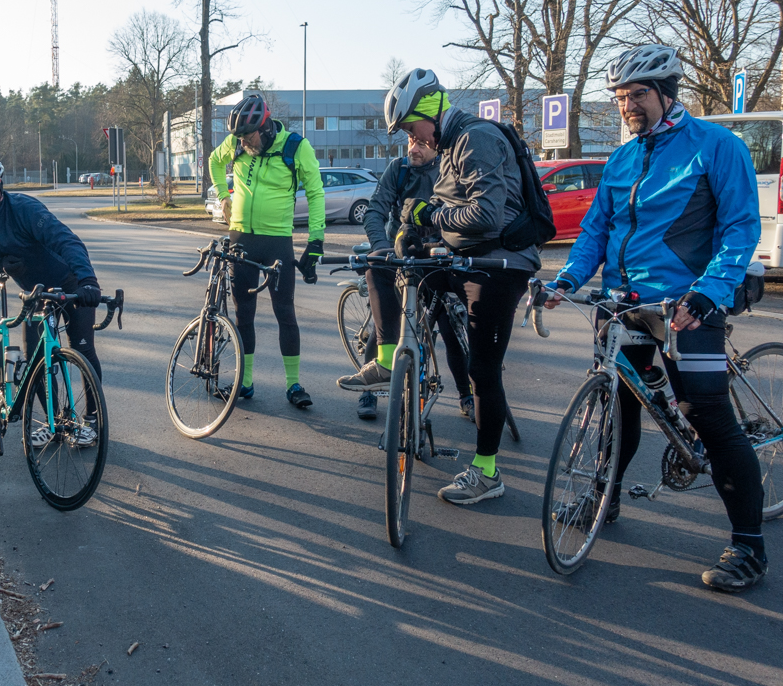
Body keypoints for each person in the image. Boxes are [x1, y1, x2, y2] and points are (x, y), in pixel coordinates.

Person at [544, 44, 767, 592]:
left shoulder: (716, 147)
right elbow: (597, 228)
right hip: (624, 304)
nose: (627, 107)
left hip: (687, 305)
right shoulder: (622, 158)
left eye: (638, 95)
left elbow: (740, 228)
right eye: (620, 97)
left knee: (707, 413)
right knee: (619, 403)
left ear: (667, 92)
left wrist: (709, 293)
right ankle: (604, 494)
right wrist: (569, 279)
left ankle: (750, 547)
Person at [339, 69, 538, 504]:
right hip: (463, 257)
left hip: (497, 266)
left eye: (412, 127)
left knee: (482, 368)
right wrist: (417, 236)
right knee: (388, 266)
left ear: (430, 110)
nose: (413, 137)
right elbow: (452, 211)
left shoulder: (474, 138)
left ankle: (487, 471)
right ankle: (393, 359)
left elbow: (485, 216)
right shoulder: (447, 144)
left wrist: (428, 216)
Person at [0, 152, 104, 447]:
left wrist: (88, 281)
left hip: (68, 284)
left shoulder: (24, 209)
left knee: (83, 350)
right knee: (36, 358)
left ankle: (92, 421)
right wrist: (5, 265)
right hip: (34, 293)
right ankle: (53, 421)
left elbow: (67, 241)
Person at [208, 94, 325, 409]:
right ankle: (245, 383)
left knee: (284, 312)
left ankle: (293, 384)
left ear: (266, 127)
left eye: (249, 136)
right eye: (240, 138)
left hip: (277, 242)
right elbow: (214, 161)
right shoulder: (236, 145)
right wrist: (223, 195)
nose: (244, 144)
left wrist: (316, 241)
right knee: (243, 314)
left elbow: (315, 193)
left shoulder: (295, 147)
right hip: (242, 238)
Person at [347, 137, 474, 422]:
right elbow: (375, 211)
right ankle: (369, 389)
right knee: (388, 324)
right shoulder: (399, 169)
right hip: (400, 254)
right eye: (410, 142)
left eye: (421, 144)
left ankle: (466, 396)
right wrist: (382, 247)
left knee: (450, 326)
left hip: (438, 256)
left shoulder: (450, 170)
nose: (413, 149)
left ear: (437, 145)